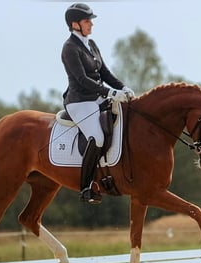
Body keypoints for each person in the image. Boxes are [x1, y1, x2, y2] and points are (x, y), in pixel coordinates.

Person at [61, 3, 135, 204]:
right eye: (87, 21)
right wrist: (110, 92)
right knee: (98, 137)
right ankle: (86, 188)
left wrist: (123, 87)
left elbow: (105, 73)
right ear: (75, 24)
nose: (91, 24)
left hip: (98, 98)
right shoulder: (69, 48)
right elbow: (82, 79)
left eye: (90, 21)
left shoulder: (91, 44)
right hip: (80, 102)